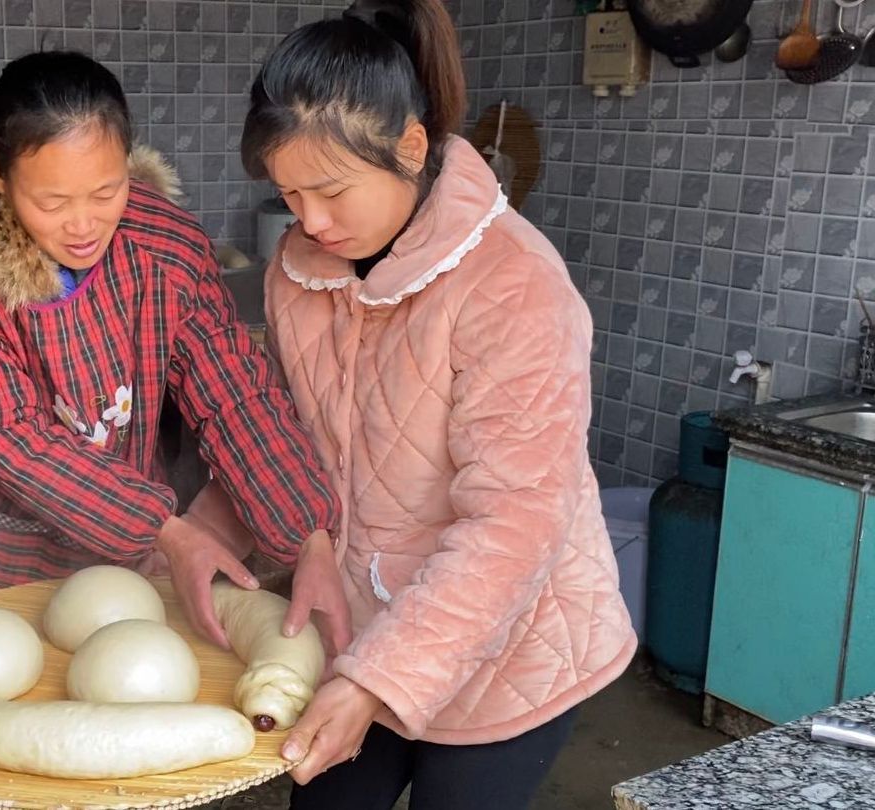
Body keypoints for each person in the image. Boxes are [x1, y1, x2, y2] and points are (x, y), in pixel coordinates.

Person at [233, 1, 639, 807]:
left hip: (510, 645)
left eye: (330, 190)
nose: (307, 221)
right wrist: (209, 533)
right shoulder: (299, 268)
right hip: (361, 621)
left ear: (410, 148)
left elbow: (515, 523)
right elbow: (289, 434)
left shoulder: (513, 284)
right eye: (288, 193)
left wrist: (379, 681)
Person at [0, 50, 351, 685]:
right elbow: (9, 435)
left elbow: (235, 395)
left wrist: (309, 535)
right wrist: (165, 528)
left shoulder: (166, 246)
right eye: (51, 202)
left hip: (113, 545)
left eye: (106, 192)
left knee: (103, 702)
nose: (82, 225)